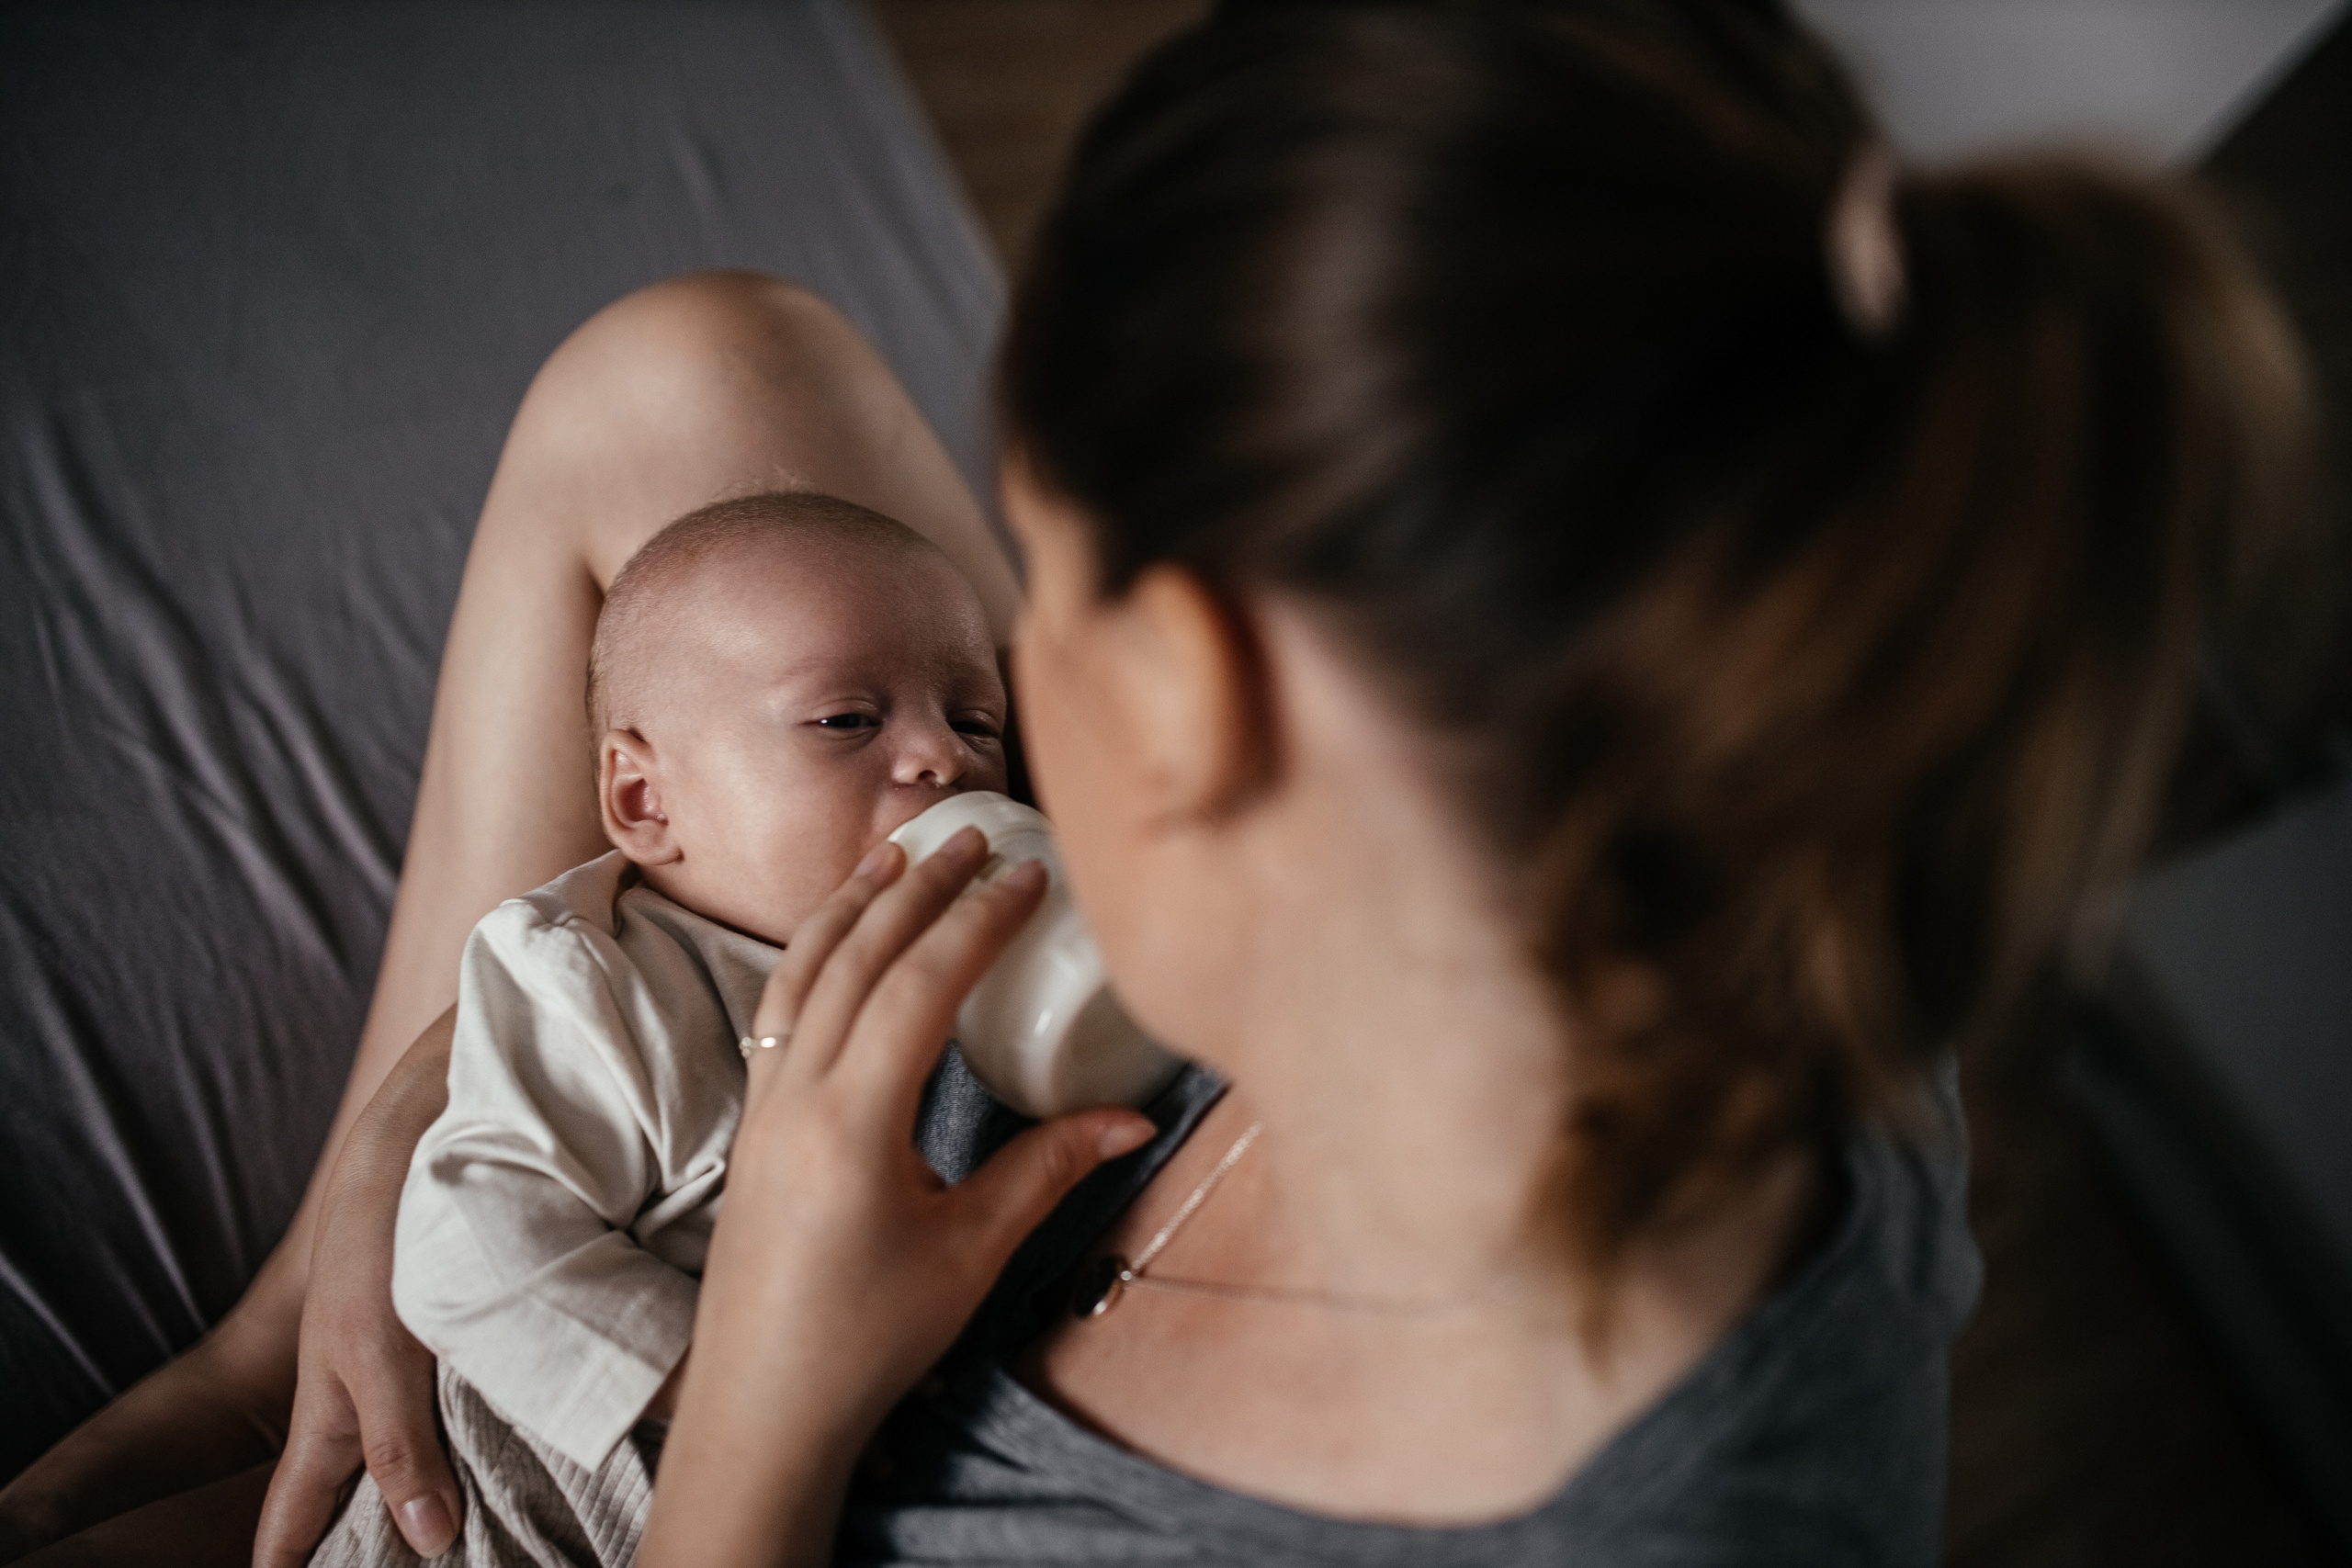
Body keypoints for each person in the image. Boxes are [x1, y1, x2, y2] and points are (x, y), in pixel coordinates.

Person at [0, 2, 2310, 1564]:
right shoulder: (1664, 805)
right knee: (717, 363)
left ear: (1193, 689)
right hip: (617, 1227)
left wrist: (764, 1412)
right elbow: (687, 399)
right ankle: (280, 1339)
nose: (976, 722)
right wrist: (444, 1101)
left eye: (1037, 617)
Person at [306, 491, 1017, 1567]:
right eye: (846, 720)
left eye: (975, 724)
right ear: (644, 800)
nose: (940, 759)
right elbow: (468, 1246)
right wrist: (740, 1387)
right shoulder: (596, 979)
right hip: (499, 1523)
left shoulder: (996, 966)